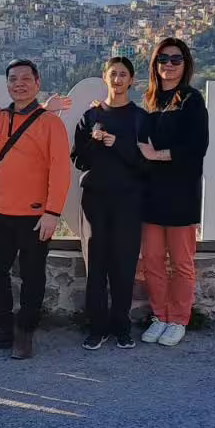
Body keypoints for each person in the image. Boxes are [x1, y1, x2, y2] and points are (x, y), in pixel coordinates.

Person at [0, 59, 72, 360]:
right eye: (13, 79)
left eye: (26, 78)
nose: (19, 84)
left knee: (32, 275)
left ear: (37, 83)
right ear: (8, 84)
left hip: (36, 216)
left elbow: (60, 171)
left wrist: (53, 212)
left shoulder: (51, 123)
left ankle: (25, 331)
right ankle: (2, 329)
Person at [72, 57, 150, 350]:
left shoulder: (140, 118)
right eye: (113, 74)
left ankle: (121, 326)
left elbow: (145, 164)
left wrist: (116, 143)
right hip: (94, 201)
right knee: (96, 265)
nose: (117, 79)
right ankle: (97, 327)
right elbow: (79, 160)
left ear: (131, 81)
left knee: (124, 265)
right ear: (105, 78)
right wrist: (93, 141)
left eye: (123, 75)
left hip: (128, 201)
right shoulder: (89, 116)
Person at [137, 38, 209, 347]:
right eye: (162, 59)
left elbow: (197, 147)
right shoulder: (150, 100)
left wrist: (158, 155)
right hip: (151, 194)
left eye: (175, 59)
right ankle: (160, 315)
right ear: (154, 64)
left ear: (185, 64)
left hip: (181, 193)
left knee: (181, 261)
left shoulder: (192, 100)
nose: (168, 64)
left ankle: (179, 318)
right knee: (152, 259)